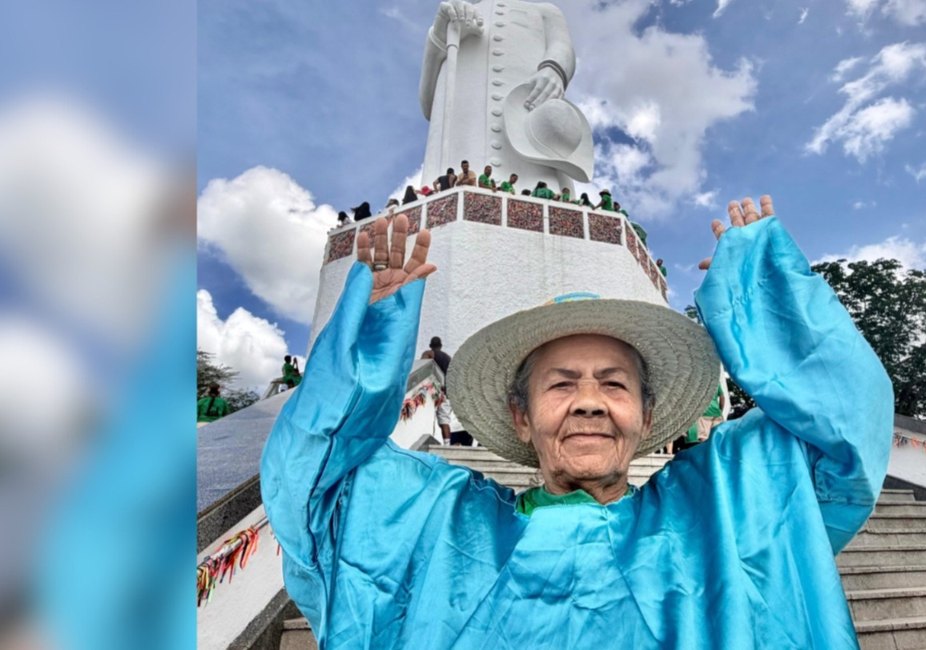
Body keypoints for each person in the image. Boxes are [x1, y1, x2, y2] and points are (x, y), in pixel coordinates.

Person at [262, 195, 893, 648]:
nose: (589, 402)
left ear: (646, 418)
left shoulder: (720, 515)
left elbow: (841, 436)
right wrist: (371, 342)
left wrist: (768, 298)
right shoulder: (442, 526)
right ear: (521, 414)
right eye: (561, 383)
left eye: (613, 384)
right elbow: (315, 490)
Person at [418, 0, 592, 194]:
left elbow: (562, 46)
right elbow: (428, 106)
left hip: (530, 124)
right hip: (465, 131)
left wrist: (555, 67)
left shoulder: (544, 11)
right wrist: (440, 38)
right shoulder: (454, 15)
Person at [420, 336, 457, 446]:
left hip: (437, 391)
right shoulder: (448, 358)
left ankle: (445, 444)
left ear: (430, 346)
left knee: (434, 416)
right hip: (447, 392)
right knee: (444, 420)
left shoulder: (430, 353)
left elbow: (423, 363)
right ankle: (447, 444)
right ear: (440, 346)